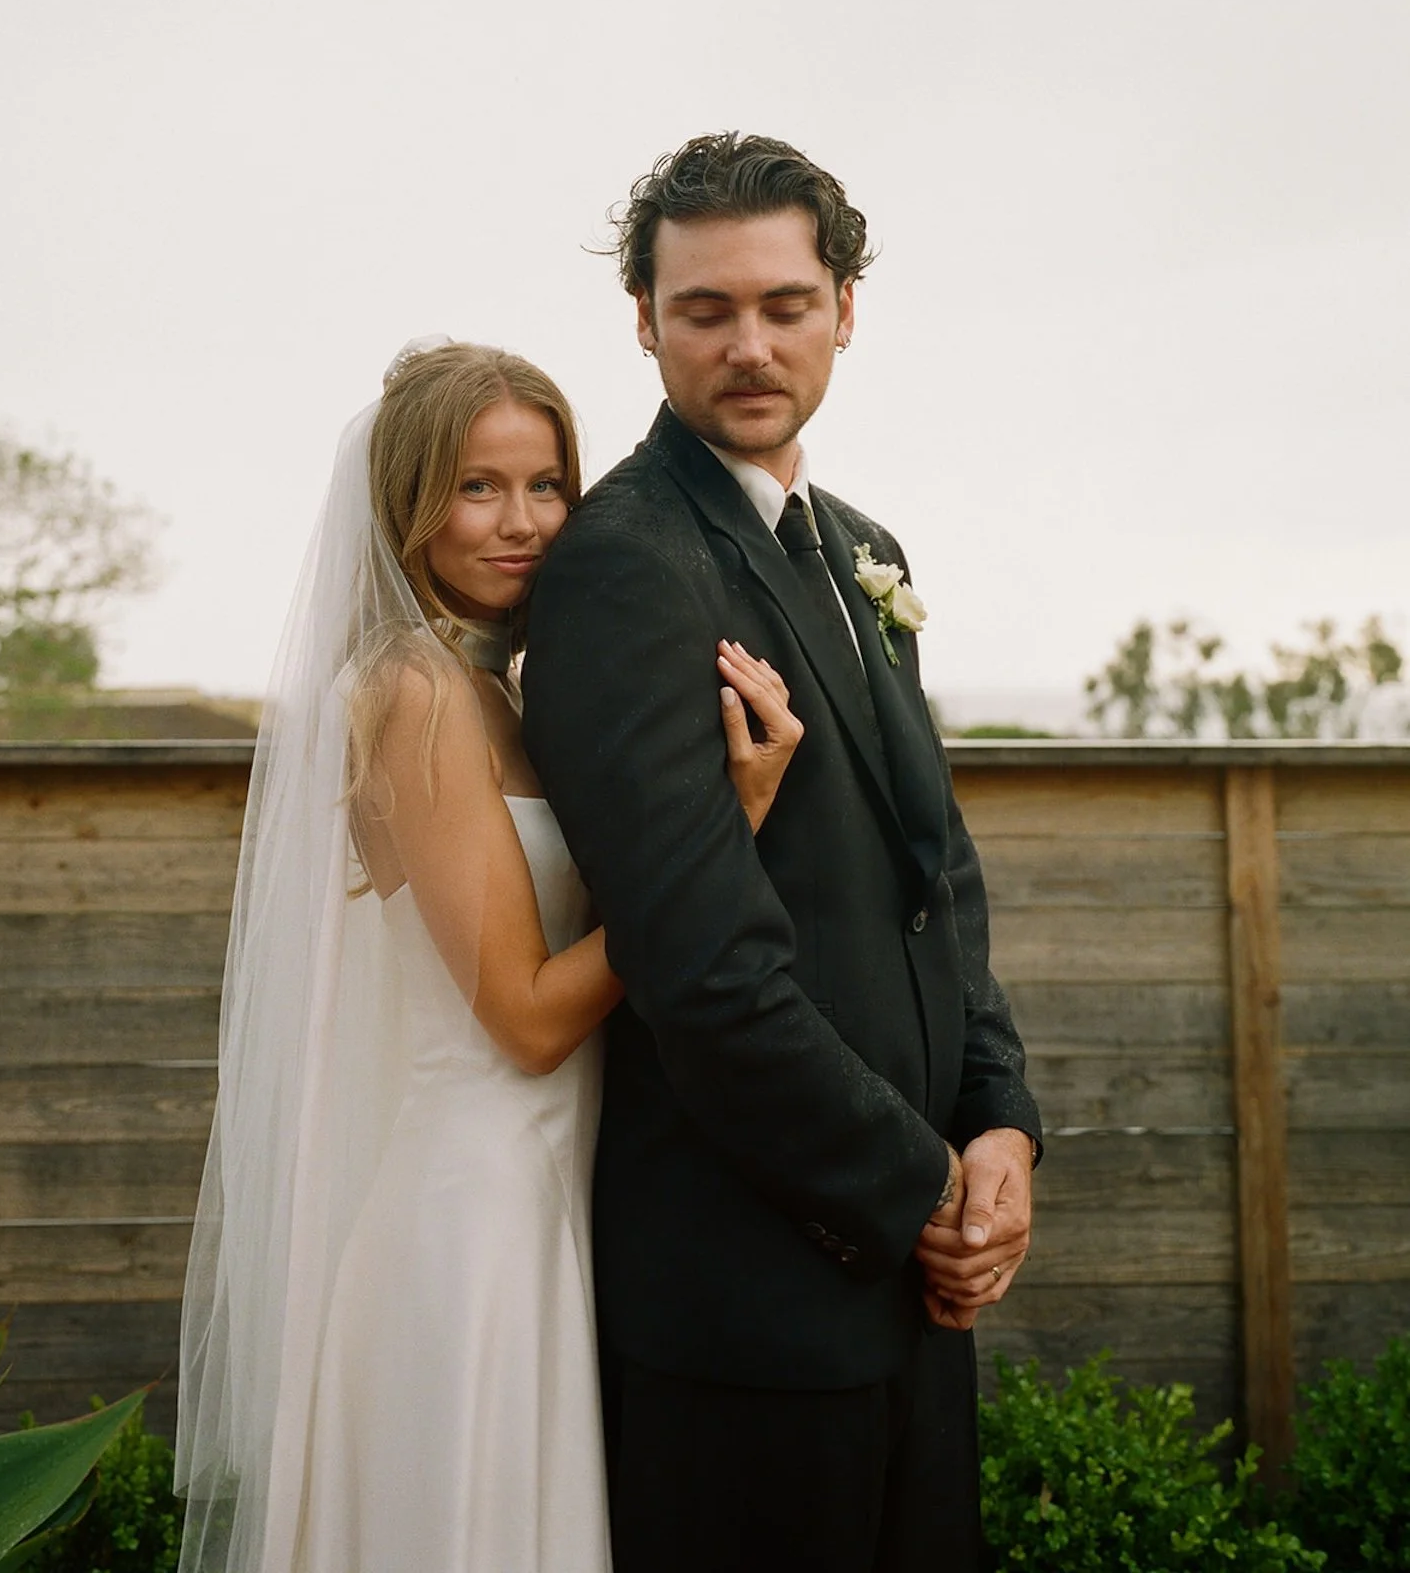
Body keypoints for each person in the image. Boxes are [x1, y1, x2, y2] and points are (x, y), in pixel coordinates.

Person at [174, 337, 801, 1573]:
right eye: (477, 488)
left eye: (547, 485)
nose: (521, 524)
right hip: (468, 1226)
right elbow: (521, 1016)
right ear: (407, 505)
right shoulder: (412, 691)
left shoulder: (496, 687)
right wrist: (723, 838)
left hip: (541, 1191)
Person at [522, 134, 1044, 1573]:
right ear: (642, 319)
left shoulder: (860, 542)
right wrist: (923, 1190)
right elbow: (699, 970)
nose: (748, 344)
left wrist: (1000, 1126)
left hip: (910, 1292)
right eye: (703, 310)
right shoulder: (626, 565)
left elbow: (933, 883)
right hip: (746, 1307)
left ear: (843, 309)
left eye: (783, 304)